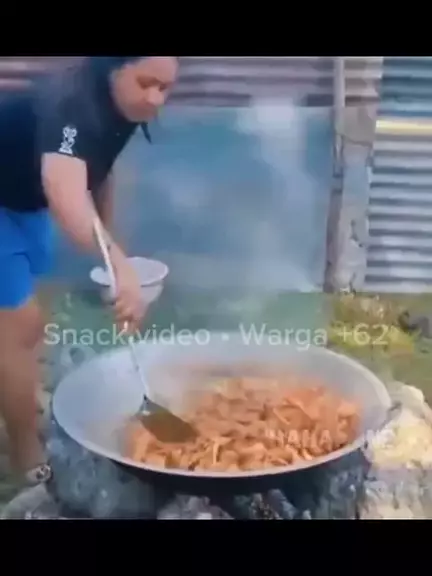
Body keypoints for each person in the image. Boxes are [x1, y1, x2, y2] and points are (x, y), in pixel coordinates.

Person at [0, 56, 179, 485]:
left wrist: (114, 255)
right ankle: (25, 454)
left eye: (165, 88)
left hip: (23, 202)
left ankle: (21, 394)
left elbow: (99, 168)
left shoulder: (125, 105)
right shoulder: (70, 104)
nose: (155, 98)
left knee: (30, 324)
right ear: (114, 68)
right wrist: (115, 261)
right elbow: (64, 188)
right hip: (14, 200)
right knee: (18, 325)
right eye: (146, 83)